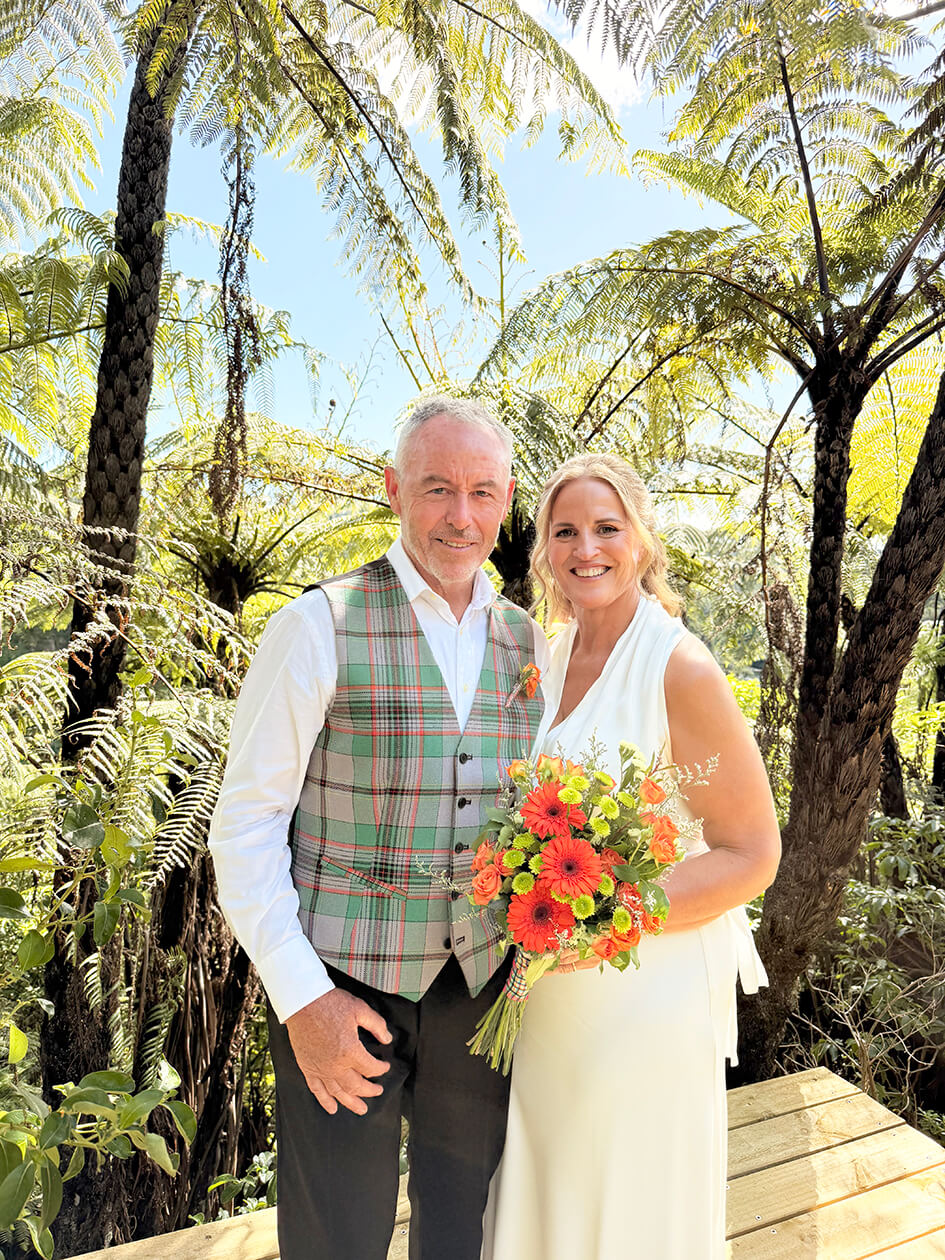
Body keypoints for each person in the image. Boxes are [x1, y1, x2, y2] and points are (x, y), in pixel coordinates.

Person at [208, 396, 549, 1260]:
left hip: (482, 992)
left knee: (463, 1231)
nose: (460, 515)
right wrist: (303, 999)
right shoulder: (314, 625)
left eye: (481, 492)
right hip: (341, 984)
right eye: (437, 488)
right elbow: (245, 827)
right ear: (393, 489)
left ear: (506, 500)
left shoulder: (527, 641)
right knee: (337, 1237)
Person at [481, 453, 781, 1260]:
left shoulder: (680, 667)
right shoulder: (545, 659)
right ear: (543, 550)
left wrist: (609, 917)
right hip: (550, 993)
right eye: (564, 532)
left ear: (641, 541)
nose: (586, 549)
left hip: (642, 989)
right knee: (549, 1183)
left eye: (606, 528)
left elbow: (752, 852)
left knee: (626, 1195)